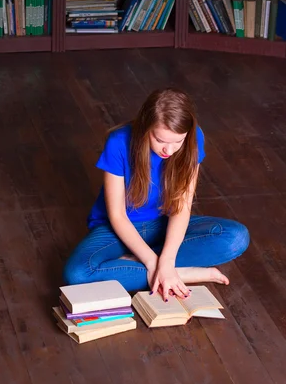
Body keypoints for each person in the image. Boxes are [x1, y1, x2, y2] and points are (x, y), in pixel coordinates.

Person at [63, 88, 249, 300]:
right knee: (77, 275)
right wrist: (153, 263)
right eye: (160, 140)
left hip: (163, 224)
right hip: (118, 229)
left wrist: (167, 261)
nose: (168, 151)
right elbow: (117, 216)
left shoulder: (194, 138)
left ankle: (143, 266)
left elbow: (181, 208)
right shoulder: (118, 142)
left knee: (236, 237)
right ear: (145, 127)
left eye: (177, 142)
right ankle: (180, 274)